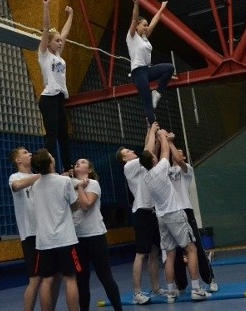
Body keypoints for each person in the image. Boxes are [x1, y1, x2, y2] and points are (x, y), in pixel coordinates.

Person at [139, 127, 210, 302]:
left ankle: (171, 293)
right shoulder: (162, 168)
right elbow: (163, 151)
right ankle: (196, 289)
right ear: (154, 160)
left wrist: (151, 132)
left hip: (161, 217)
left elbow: (148, 152)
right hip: (174, 214)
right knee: (191, 249)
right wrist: (163, 135)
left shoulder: (146, 175)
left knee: (170, 255)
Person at [115, 123, 164, 304]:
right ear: (124, 159)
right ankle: (137, 292)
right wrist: (151, 131)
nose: (131, 151)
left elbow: (148, 148)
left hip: (152, 212)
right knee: (141, 253)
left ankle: (156, 288)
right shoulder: (129, 167)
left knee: (153, 252)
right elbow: (147, 150)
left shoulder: (140, 166)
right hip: (142, 213)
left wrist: (149, 128)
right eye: (127, 151)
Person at [30, 148, 81, 311]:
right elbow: (74, 205)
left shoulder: (35, 186)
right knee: (70, 279)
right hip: (64, 238)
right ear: (51, 162)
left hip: (44, 241)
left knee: (46, 280)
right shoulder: (64, 182)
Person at [166, 137, 216, 294]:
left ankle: (209, 279)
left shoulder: (186, 168)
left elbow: (179, 160)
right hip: (172, 212)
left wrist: (170, 142)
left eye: (179, 153)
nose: (176, 154)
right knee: (175, 250)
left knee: (197, 248)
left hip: (186, 210)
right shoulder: (166, 170)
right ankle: (181, 285)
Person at [71, 158, 123, 311]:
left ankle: (118, 308)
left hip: (95, 236)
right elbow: (71, 207)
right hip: (77, 238)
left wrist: (80, 187)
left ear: (89, 169)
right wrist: (73, 185)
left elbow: (86, 204)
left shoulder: (93, 184)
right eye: (77, 163)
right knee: (81, 279)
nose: (78, 164)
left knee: (105, 276)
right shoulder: (69, 185)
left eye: (82, 162)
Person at [38, 0, 74, 171]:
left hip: (60, 99)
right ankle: (46, 168)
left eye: (61, 41)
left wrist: (70, 16)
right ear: (49, 43)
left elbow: (65, 32)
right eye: (57, 40)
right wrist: (46, 7)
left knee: (64, 137)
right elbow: (46, 28)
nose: (60, 42)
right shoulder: (45, 54)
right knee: (51, 136)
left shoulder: (58, 56)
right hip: (49, 98)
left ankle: (68, 169)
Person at [126, 0, 173, 125]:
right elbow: (135, 18)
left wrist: (161, 8)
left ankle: (157, 94)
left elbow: (154, 21)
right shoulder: (132, 37)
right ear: (137, 27)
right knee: (148, 104)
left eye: (147, 26)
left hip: (147, 70)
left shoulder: (145, 37)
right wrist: (136, 4)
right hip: (138, 73)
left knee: (169, 68)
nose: (146, 27)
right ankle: (154, 127)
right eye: (144, 25)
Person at [8, 147, 43, 311]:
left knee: (51, 277)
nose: (30, 154)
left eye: (30, 152)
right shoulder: (15, 177)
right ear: (18, 160)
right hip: (31, 234)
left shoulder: (41, 177)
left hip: (46, 232)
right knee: (35, 279)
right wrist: (41, 176)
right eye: (25, 153)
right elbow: (17, 186)